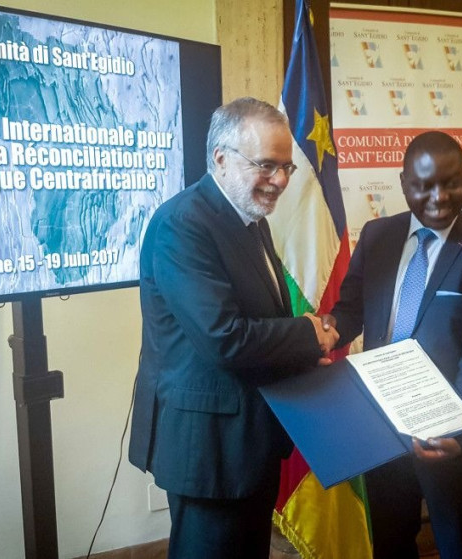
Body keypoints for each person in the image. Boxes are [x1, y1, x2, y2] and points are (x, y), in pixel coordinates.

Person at [128, 97, 339, 559]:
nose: (280, 180)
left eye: (286, 167)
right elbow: (225, 338)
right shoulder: (182, 225)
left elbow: (261, 321)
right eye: (266, 165)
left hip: (248, 445)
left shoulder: (249, 216)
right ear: (221, 158)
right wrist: (308, 335)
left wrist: (304, 353)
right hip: (209, 454)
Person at [323, 131, 462, 559]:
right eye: (424, 185)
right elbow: (350, 309)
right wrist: (329, 330)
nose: (440, 197)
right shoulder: (376, 236)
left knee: (456, 544)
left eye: (452, 183)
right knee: (390, 541)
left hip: (447, 434)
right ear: (403, 182)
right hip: (382, 427)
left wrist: (455, 424)